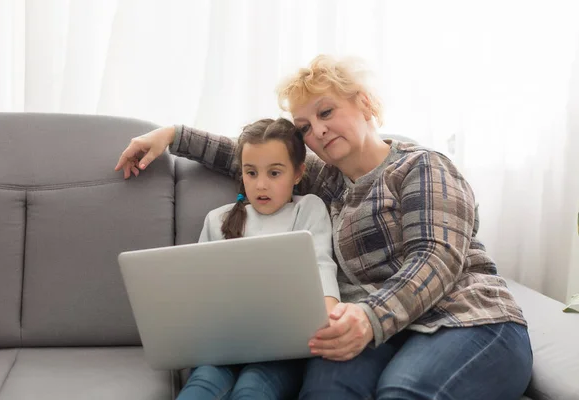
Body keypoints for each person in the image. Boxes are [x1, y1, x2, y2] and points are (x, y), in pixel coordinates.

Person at [115, 55, 533, 400]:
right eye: (305, 127)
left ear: (365, 104)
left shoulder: (422, 166)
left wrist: (370, 317)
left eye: (327, 112)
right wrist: (171, 135)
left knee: (402, 391)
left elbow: (435, 258)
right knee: (324, 391)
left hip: (464, 319)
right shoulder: (329, 181)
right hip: (380, 330)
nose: (317, 130)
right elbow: (251, 158)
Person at [173, 117, 339, 400]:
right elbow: (199, 289)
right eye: (251, 173)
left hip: (283, 349)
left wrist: (329, 319)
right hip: (223, 346)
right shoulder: (218, 219)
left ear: (298, 173)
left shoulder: (308, 210)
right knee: (201, 387)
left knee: (252, 389)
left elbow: (322, 265)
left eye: (274, 173)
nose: (261, 185)